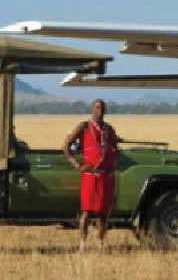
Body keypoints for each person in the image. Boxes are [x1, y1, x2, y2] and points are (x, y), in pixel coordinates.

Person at [62, 99, 119, 251]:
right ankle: (83, 243)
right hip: (89, 175)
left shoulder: (109, 130)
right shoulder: (84, 126)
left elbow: (115, 148)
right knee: (86, 211)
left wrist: (111, 162)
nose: (100, 111)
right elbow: (66, 146)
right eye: (97, 108)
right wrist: (76, 164)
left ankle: (100, 241)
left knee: (103, 212)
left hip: (105, 176)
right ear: (92, 109)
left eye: (102, 108)